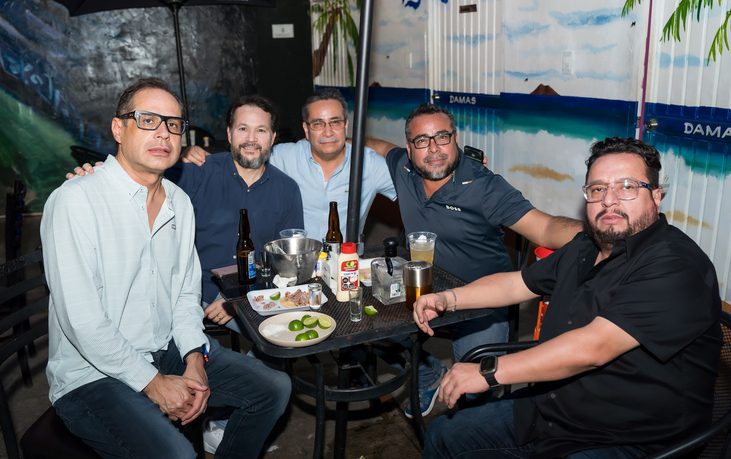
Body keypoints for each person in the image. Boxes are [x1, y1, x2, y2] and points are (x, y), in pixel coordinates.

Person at [412, 137, 721, 458]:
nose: (609, 200)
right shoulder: (586, 246)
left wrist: (488, 371)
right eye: (598, 189)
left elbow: (592, 348)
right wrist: (448, 298)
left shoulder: (676, 265)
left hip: (630, 438)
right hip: (555, 410)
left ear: (656, 196)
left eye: (627, 187)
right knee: (444, 435)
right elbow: (517, 284)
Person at [44, 78, 291, 458]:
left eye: (173, 124)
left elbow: (185, 294)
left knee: (273, 389)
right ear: (118, 129)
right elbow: (82, 322)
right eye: (147, 120)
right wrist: (153, 383)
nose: (163, 132)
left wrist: (194, 356)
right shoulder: (76, 201)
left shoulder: (179, 201)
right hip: (91, 374)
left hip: (164, 347)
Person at [366, 103, 582, 417]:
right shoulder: (403, 168)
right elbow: (377, 146)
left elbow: (546, 228)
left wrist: (599, 234)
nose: (434, 148)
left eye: (442, 137)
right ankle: (428, 374)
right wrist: (335, 137)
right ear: (409, 149)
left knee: (474, 396)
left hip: (481, 300)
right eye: (422, 140)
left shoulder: (484, 186)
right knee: (366, 327)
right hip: (424, 289)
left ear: (455, 139)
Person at [68, 95, 304, 332]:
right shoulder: (196, 173)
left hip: (255, 289)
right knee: (274, 333)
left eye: (261, 130)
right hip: (200, 290)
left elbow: (286, 262)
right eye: (243, 129)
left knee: (289, 331)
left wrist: (240, 296)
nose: (251, 139)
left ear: (273, 137)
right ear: (229, 134)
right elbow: (136, 180)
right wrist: (96, 178)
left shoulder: (287, 189)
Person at [183, 88, 396, 240]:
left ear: (346, 126)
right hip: (296, 266)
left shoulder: (369, 165)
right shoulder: (283, 156)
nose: (328, 132)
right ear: (306, 129)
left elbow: (410, 183)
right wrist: (190, 153)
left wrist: (392, 150)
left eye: (335, 122)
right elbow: (247, 152)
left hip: (346, 265)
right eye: (318, 124)